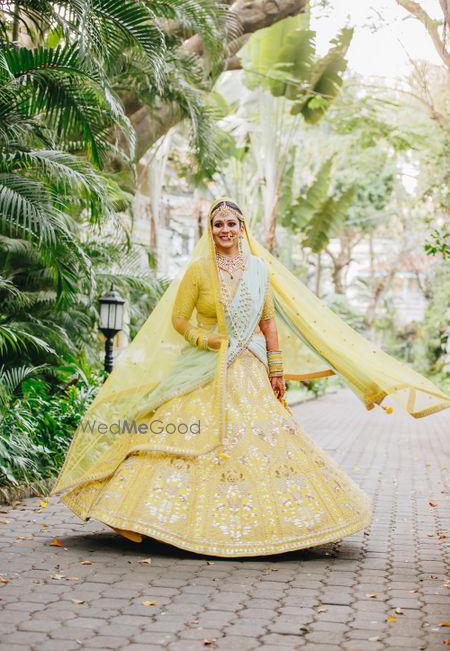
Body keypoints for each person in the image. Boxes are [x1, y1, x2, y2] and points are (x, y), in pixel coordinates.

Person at [49, 199, 450, 557]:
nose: (224, 230)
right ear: (210, 230)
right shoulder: (197, 271)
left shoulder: (259, 270)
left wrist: (276, 370)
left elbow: (269, 321)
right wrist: (205, 339)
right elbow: (177, 318)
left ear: (243, 229)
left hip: (251, 368)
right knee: (175, 435)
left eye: (231, 223)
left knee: (261, 443)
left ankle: (269, 526)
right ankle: (142, 518)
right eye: (217, 224)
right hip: (204, 367)